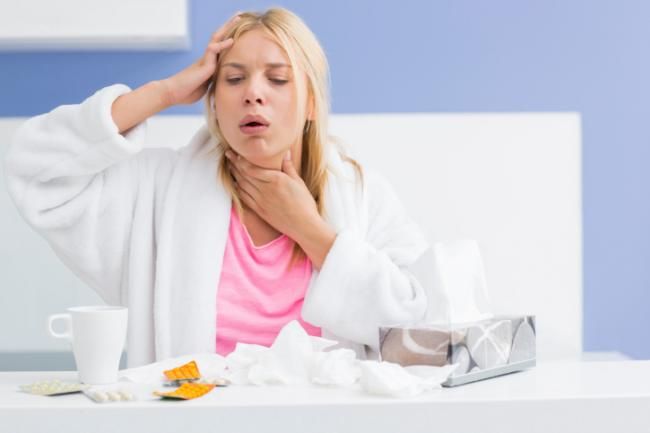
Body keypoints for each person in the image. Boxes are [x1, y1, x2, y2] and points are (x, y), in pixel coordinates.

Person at [4, 8, 431, 368]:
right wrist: (164, 92)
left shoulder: (364, 197)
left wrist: (310, 229)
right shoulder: (156, 192)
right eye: (234, 79)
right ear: (212, 100)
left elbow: (414, 331)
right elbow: (34, 169)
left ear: (312, 103)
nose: (253, 94)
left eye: (278, 79)